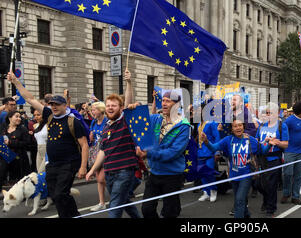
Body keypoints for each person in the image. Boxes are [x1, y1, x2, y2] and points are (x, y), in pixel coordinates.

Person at [7, 71, 89, 218]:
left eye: (57, 104)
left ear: (65, 105)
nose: (54, 107)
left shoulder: (73, 122)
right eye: (52, 104)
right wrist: (15, 82)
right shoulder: (49, 116)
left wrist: (83, 167)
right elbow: (30, 99)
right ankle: (73, 215)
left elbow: (84, 145)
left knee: (61, 193)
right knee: (55, 195)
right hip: (52, 164)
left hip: (69, 163)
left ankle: (71, 215)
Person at [125, 71, 190, 219]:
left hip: (173, 175)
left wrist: (149, 154)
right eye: (163, 100)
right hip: (154, 173)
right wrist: (134, 106)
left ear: (177, 104)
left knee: (169, 212)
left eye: (168, 101)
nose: (164, 103)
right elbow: (135, 119)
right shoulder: (155, 119)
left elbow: (173, 152)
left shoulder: (184, 127)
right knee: (147, 210)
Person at [201, 117, 272, 218]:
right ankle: (246, 214)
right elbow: (214, 148)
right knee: (239, 200)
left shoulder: (250, 140)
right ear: (232, 129)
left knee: (239, 200)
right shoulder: (228, 140)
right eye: (235, 126)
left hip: (246, 175)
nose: (238, 128)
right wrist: (206, 141)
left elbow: (263, 151)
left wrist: (269, 144)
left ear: (243, 126)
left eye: (240, 125)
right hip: (233, 175)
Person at [86, 94, 141, 218]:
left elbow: (128, 103)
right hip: (109, 172)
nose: (110, 108)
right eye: (108, 105)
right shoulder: (106, 126)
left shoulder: (125, 121)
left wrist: (128, 82)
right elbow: (103, 151)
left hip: (124, 170)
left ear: (121, 108)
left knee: (115, 206)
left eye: (114, 106)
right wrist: (92, 170)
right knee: (124, 201)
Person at [255, 102, 289, 217]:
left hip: (274, 158)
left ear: (277, 114)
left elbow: (286, 144)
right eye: (267, 112)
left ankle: (271, 209)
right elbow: (256, 140)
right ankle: (266, 198)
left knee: (271, 185)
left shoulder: (281, 126)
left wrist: (276, 142)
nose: (269, 115)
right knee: (258, 184)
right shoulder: (261, 126)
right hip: (261, 158)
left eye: (271, 113)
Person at [281, 101, 301, 204]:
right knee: (287, 174)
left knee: (298, 175)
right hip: (290, 151)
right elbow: (282, 131)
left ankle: (295, 196)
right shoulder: (289, 120)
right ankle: (286, 193)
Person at [197, 102, 220, 203]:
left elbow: (217, 137)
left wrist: (216, 152)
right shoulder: (199, 123)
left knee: (209, 172)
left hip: (210, 151)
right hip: (200, 152)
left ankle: (213, 190)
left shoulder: (212, 122)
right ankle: (206, 192)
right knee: (202, 172)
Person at [1, 111, 33, 184]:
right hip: (5, 158)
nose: (19, 119)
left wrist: (11, 142)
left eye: (20, 117)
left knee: (18, 181)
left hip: (19, 159)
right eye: (16, 116)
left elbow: (27, 143)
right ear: (10, 118)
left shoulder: (23, 129)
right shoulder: (3, 128)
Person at [88, 101, 108, 212]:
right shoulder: (94, 122)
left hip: (106, 152)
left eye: (94, 109)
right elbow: (92, 134)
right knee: (98, 180)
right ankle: (102, 202)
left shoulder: (107, 122)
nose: (92, 112)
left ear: (100, 110)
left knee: (101, 178)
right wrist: (91, 135)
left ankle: (118, 191)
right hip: (96, 152)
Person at [32, 107, 48, 173]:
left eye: (38, 115)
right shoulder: (35, 125)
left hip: (47, 150)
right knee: (39, 172)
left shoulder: (48, 125)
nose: (36, 117)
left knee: (41, 171)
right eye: (35, 115)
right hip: (39, 150)